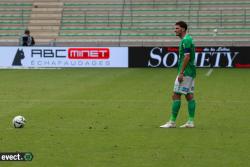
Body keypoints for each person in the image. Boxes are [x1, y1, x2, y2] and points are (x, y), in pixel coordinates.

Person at [160, 21, 196, 128]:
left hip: (185, 72)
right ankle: (190, 121)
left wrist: (181, 72)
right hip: (190, 71)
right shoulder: (188, 39)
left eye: (177, 28)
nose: (175, 30)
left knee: (176, 94)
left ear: (183, 29)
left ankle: (172, 122)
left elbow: (187, 57)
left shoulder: (186, 40)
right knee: (189, 95)